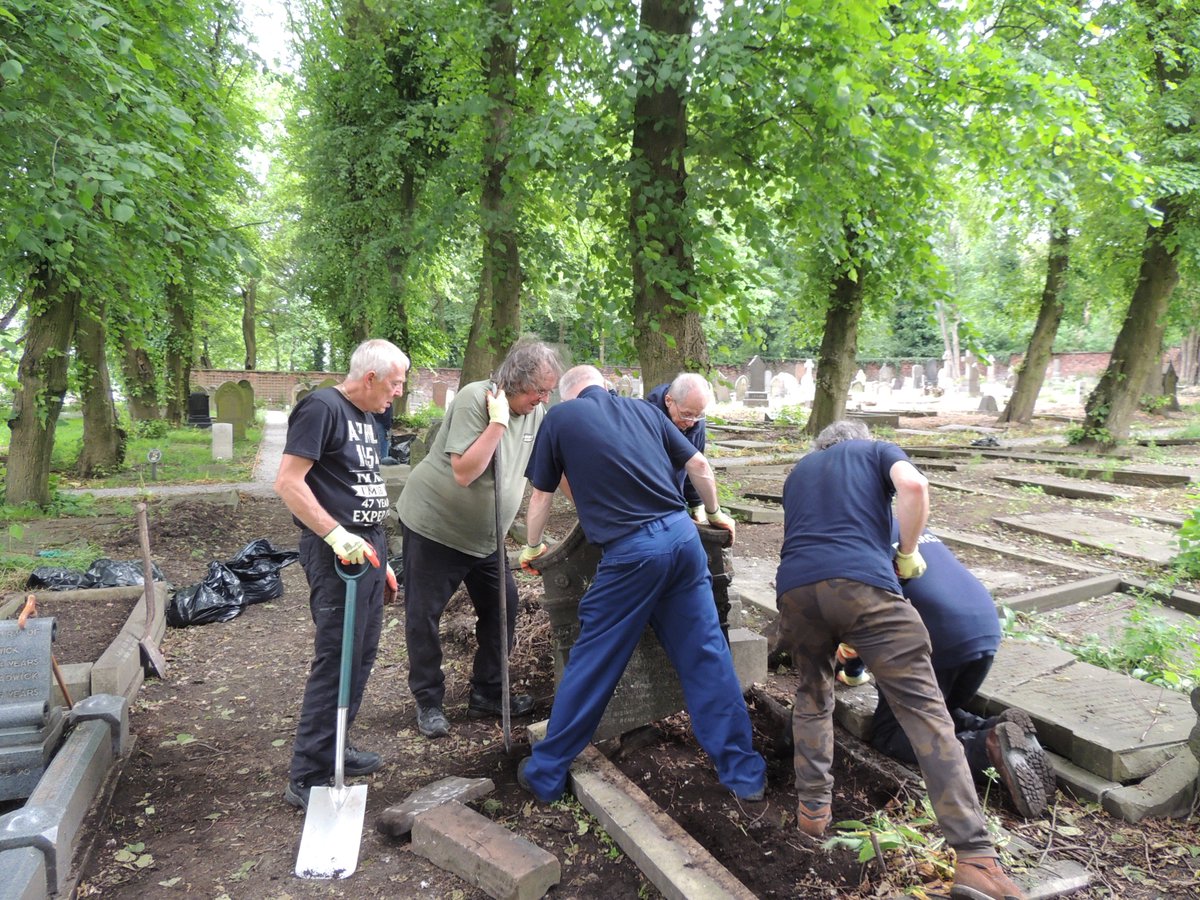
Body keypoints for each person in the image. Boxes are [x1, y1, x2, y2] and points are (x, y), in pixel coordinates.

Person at [773, 419, 1026, 900]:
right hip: (866, 588)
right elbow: (913, 485)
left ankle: (812, 816)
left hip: (796, 590)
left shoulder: (799, 472)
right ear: (861, 440)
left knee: (813, 698)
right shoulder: (874, 450)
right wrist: (907, 553)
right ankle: (975, 859)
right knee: (927, 715)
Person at [515, 365, 764, 805]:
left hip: (632, 555)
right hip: (684, 542)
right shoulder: (646, 411)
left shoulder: (560, 418)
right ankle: (744, 774)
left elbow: (541, 494)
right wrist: (712, 512)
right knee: (707, 656)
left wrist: (532, 547)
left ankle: (546, 771)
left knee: (593, 660)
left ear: (569, 395)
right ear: (606, 387)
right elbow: (699, 464)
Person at [396, 339, 563, 739]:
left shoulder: (536, 412)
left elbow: (552, 470)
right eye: (537, 390)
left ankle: (487, 692)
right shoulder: (478, 398)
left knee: (503, 608)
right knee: (424, 615)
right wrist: (498, 423)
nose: (542, 399)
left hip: (486, 537)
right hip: (435, 527)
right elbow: (465, 471)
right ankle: (429, 701)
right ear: (516, 379)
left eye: (548, 392)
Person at [275, 339, 409, 810]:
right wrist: (335, 535)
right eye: (394, 384)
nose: (397, 394)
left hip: (367, 549)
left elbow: (360, 489)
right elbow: (289, 481)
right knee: (337, 657)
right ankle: (307, 774)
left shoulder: (368, 417)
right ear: (370, 377)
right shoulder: (321, 408)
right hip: (336, 554)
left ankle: (335, 743)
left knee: (362, 654)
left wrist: (382, 557)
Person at [869, 527, 1054, 818]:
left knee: (889, 732)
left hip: (937, 638)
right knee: (937, 708)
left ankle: (985, 748)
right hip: (985, 629)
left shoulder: (852, 535)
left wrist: (851, 667)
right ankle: (995, 727)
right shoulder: (907, 520)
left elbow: (850, 611)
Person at [644, 373, 713, 522]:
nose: (691, 422)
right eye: (686, 414)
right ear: (669, 401)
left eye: (698, 415)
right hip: (649, 507)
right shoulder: (647, 419)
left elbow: (693, 465)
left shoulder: (694, 419)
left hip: (676, 504)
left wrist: (697, 503)